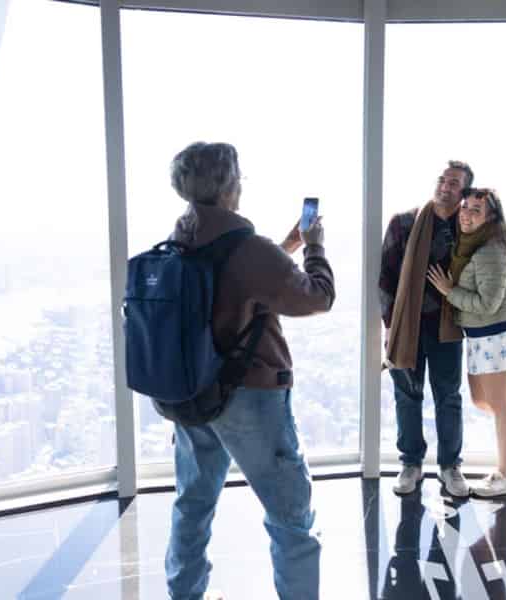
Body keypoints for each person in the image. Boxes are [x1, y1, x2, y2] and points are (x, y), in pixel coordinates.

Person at [164, 142, 335, 600]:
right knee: (291, 517)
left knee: (192, 505)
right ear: (227, 185)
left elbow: (230, 289)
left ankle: (185, 594)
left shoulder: (178, 242)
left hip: (192, 395)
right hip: (251, 400)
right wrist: (314, 249)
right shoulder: (248, 248)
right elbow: (317, 297)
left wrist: (285, 247)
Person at [427, 188, 506, 498]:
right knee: (483, 402)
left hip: (496, 336)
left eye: (476, 211)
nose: (467, 215)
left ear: (490, 218)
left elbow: (488, 304)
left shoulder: (491, 252)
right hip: (482, 337)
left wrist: (448, 291)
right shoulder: (475, 246)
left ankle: (505, 475)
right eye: (465, 208)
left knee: (501, 405)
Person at [380, 160, 474, 498]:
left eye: (454, 183)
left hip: (449, 327)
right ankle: (411, 464)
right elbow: (386, 277)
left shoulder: (468, 231)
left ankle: (450, 467)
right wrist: (390, 325)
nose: (445, 186)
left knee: (448, 398)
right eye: (443, 180)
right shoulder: (404, 223)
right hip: (407, 327)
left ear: (464, 192)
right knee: (407, 395)